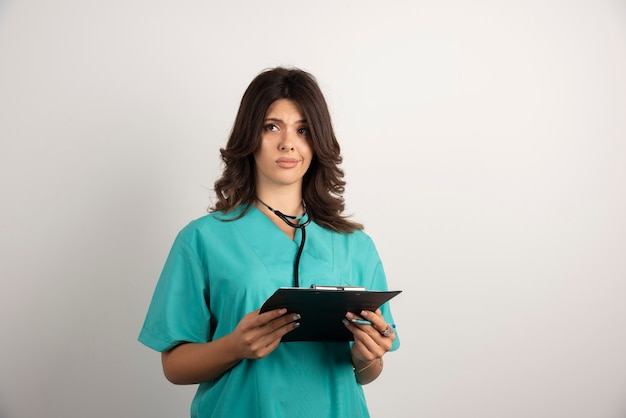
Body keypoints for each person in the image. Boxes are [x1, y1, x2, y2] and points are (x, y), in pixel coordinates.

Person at [138, 67, 399, 418]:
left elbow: (365, 373)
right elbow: (173, 366)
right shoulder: (202, 239)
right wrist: (234, 346)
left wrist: (367, 356)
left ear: (317, 140)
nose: (287, 142)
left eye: (303, 129)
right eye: (272, 126)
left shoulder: (356, 245)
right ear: (250, 136)